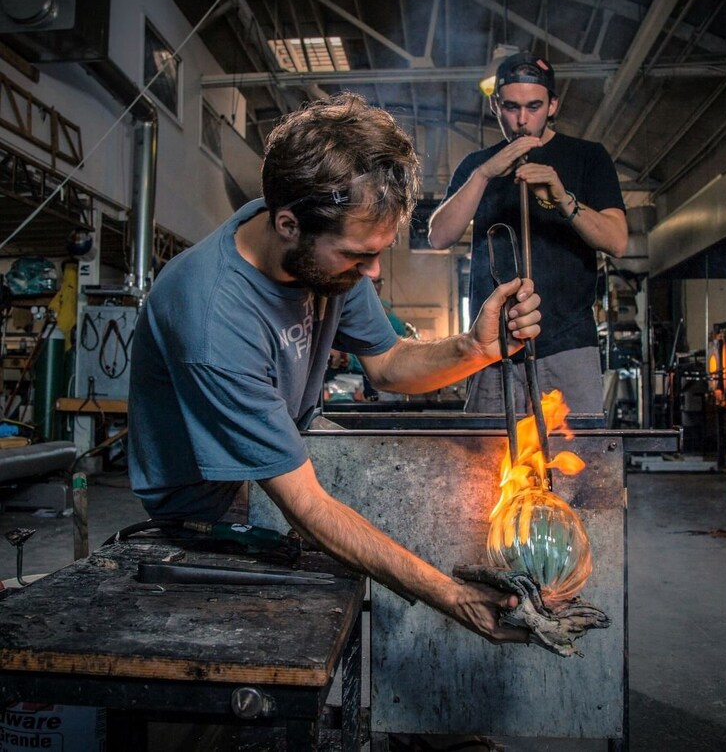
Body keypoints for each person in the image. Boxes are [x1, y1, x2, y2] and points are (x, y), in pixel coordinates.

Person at [127, 92, 542, 645]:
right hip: (210, 508)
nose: (372, 273)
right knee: (395, 569)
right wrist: (452, 597)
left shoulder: (326, 256)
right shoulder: (213, 318)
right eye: (357, 256)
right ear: (288, 224)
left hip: (288, 454)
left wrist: (478, 348)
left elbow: (389, 364)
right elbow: (308, 509)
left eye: (379, 253)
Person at [428, 52, 628, 416]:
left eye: (534, 106)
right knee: (486, 466)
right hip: (492, 348)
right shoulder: (476, 165)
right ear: (495, 105)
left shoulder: (587, 158)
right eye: (511, 107)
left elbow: (616, 241)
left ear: (553, 105)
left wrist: (563, 197)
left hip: (568, 346)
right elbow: (439, 236)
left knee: (577, 463)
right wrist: (485, 174)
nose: (521, 120)